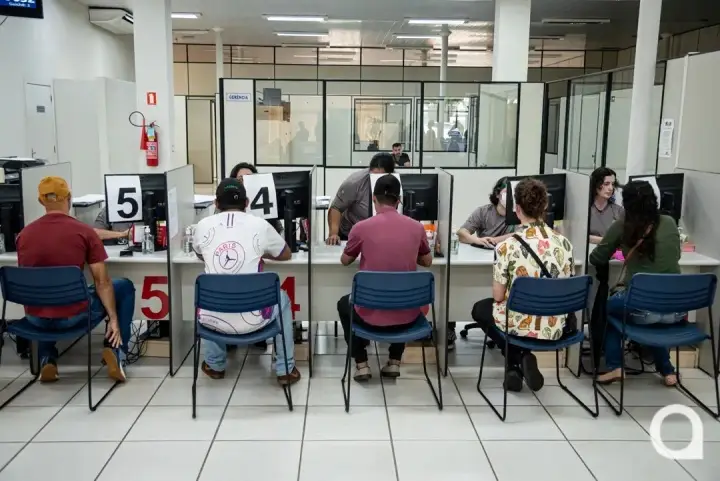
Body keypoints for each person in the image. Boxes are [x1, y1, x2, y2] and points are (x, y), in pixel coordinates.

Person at [17, 176, 135, 383]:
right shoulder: (84, 232)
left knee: (46, 296)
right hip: (74, 317)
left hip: (35, 320)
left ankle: (47, 358)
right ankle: (117, 350)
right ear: (69, 198)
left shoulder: (24, 235)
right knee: (123, 286)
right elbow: (102, 283)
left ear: (40, 201)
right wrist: (113, 319)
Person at [192, 178, 301, 385]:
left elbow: (199, 253)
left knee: (205, 295)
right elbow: (286, 253)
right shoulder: (260, 225)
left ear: (216, 203)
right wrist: (261, 253)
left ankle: (215, 364)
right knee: (283, 298)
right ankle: (285, 369)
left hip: (214, 321)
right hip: (254, 319)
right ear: (247, 203)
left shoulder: (202, 226)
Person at [470, 178, 575, 392]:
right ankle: (517, 364)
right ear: (545, 206)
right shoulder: (565, 244)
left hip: (520, 324)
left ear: (517, 209)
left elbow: (498, 296)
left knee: (480, 309)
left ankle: (517, 360)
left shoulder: (507, 247)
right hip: (555, 324)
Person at [337, 175, 432, 381]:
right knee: (402, 296)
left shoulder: (361, 228)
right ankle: (394, 362)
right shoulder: (417, 227)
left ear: (373, 198)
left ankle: (362, 364)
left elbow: (345, 260)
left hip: (369, 316)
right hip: (408, 317)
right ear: (399, 200)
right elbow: (427, 261)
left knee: (344, 304)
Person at [591, 180, 682, 387]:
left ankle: (615, 365)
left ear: (627, 203)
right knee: (649, 312)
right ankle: (668, 371)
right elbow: (676, 255)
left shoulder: (622, 225)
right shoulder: (669, 222)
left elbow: (596, 258)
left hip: (643, 309)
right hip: (676, 309)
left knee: (611, 310)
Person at [449, 177, 514, 348]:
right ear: (497, 194)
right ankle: (449, 325)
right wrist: (476, 240)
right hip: (480, 260)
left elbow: (521, 234)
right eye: (506, 192)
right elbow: (462, 233)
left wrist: (495, 239)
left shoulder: (518, 214)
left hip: (505, 263)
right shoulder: (484, 212)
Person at [326, 152, 395, 245]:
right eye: (373, 175)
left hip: (380, 235)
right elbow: (336, 208)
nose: (376, 179)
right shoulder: (354, 182)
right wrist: (333, 233)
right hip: (350, 234)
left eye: (380, 177)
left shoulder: (396, 183)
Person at [589, 167, 624, 244]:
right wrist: (607, 240)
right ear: (596, 185)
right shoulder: (585, 209)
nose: (611, 188)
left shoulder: (619, 211)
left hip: (612, 251)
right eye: (606, 184)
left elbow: (622, 239)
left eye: (613, 184)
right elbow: (580, 236)